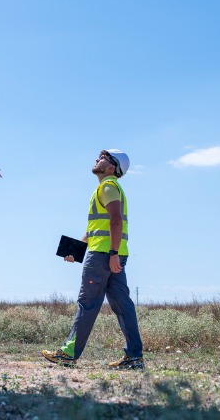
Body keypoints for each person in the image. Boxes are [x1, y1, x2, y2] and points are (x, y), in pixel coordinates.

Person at [42, 149, 144, 369]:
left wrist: (112, 254)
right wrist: (76, 251)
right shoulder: (110, 188)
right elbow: (96, 229)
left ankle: (68, 353)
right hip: (112, 254)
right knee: (123, 306)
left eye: (103, 157)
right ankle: (134, 357)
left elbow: (115, 221)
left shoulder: (107, 186)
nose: (97, 159)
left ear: (111, 168)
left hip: (103, 256)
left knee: (88, 304)